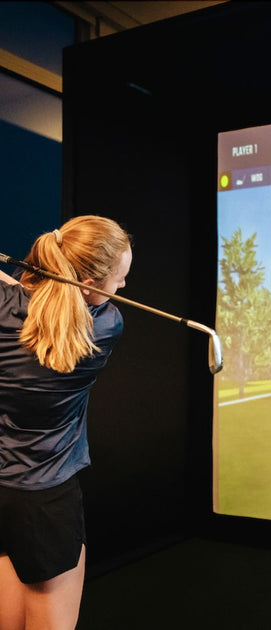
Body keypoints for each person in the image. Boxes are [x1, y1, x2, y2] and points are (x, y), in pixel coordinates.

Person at [0, 215, 132, 630]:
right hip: (47, 502)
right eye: (118, 279)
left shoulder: (4, 309)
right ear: (89, 284)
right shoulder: (105, 326)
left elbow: (17, 290)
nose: (123, 286)